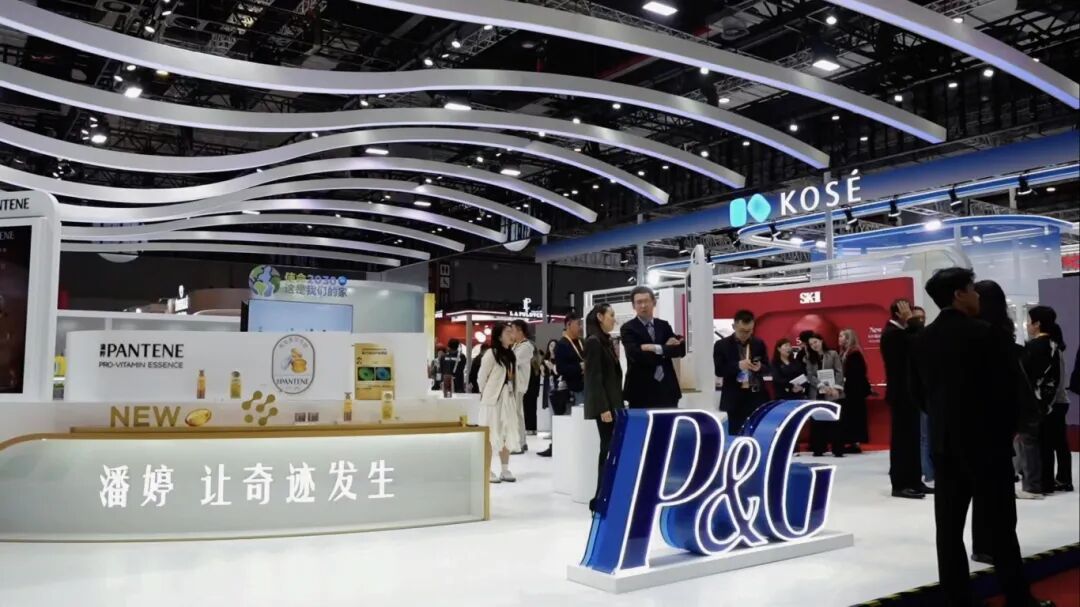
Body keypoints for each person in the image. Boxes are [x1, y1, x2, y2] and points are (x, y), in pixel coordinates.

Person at [911, 267, 1053, 607]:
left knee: (948, 532)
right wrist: (1006, 429)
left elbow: (919, 395)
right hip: (988, 446)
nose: (977, 296)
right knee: (1002, 529)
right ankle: (1018, 600)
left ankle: (958, 600)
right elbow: (1009, 390)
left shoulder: (921, 340)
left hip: (945, 447)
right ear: (959, 294)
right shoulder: (987, 334)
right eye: (972, 289)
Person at [970, 280, 1033, 563]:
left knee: (986, 489)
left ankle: (986, 544)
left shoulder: (980, 336)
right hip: (997, 423)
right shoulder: (999, 338)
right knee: (997, 490)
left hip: (981, 423)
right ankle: (996, 544)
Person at [881, 298, 928, 499]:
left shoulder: (901, 333)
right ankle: (900, 484)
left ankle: (915, 481)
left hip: (909, 394)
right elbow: (919, 342)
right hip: (901, 395)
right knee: (902, 442)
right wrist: (912, 323)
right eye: (909, 311)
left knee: (913, 440)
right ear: (900, 313)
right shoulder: (893, 334)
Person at [583, 303, 624, 512]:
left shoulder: (603, 341)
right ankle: (601, 497)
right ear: (600, 317)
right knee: (607, 450)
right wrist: (603, 408)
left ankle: (605, 495)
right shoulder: (594, 342)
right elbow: (593, 377)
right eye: (611, 315)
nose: (613, 319)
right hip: (606, 407)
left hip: (613, 404)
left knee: (610, 449)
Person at [621, 286, 685, 409]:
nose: (643, 306)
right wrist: (665, 350)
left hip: (668, 389)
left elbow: (679, 351)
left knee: (669, 421)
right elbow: (636, 355)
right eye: (639, 302)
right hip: (641, 390)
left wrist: (654, 348)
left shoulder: (663, 325)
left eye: (646, 301)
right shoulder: (628, 328)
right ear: (633, 306)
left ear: (654, 302)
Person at [1024, 306, 1063, 496]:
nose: (1027, 325)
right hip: (1049, 400)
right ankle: (1047, 483)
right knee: (1048, 444)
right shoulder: (1054, 346)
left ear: (1037, 324)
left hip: (1033, 400)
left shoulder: (1032, 347)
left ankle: (1034, 484)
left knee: (1032, 444)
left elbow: (1026, 376)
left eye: (1029, 321)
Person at [477, 323, 523, 484]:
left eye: (512, 332)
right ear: (499, 336)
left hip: (508, 400)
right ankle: (487, 470)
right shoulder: (491, 354)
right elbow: (481, 378)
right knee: (490, 434)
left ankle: (505, 469)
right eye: (508, 332)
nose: (512, 335)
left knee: (506, 433)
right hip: (492, 401)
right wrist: (487, 395)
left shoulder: (511, 355)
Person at [713, 310, 770, 434]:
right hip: (735, 397)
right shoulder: (721, 345)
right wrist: (737, 366)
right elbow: (719, 370)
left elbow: (767, 366)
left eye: (749, 331)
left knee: (757, 432)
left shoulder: (758, 343)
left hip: (756, 396)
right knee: (737, 432)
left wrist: (760, 367)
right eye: (742, 331)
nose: (746, 334)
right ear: (734, 326)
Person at [539, 314, 585, 458]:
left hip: (583, 386)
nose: (580, 327)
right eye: (578, 324)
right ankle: (560, 447)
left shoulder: (582, 342)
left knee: (580, 421)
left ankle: (576, 447)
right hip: (571, 389)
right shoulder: (562, 345)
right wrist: (580, 367)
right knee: (568, 419)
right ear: (569, 324)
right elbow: (561, 369)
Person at [805, 334, 845, 457]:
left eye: (815, 342)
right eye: (811, 344)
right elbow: (810, 375)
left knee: (835, 420)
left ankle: (837, 449)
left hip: (832, 392)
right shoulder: (809, 358)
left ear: (821, 341)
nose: (814, 345)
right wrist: (821, 385)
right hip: (817, 392)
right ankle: (819, 448)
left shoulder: (832, 354)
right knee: (818, 422)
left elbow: (839, 371)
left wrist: (836, 388)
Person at [911, 306, 934, 487]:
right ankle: (928, 472)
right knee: (925, 437)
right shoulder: (912, 339)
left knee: (931, 435)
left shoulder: (928, 337)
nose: (921, 320)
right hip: (921, 394)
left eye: (923, 317)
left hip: (932, 393)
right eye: (918, 317)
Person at [838, 329, 871, 453]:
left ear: (848, 338)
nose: (839, 339)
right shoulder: (844, 353)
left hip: (855, 391)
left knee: (855, 415)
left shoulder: (854, 354)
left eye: (841, 336)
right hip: (849, 390)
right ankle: (851, 441)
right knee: (850, 416)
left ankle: (855, 442)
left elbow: (856, 373)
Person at [510, 320, 535, 454]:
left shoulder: (526, 347)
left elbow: (513, 361)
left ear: (520, 331)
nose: (511, 333)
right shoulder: (516, 345)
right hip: (514, 385)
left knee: (516, 414)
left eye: (513, 330)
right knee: (517, 413)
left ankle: (519, 443)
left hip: (518, 385)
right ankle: (522, 441)